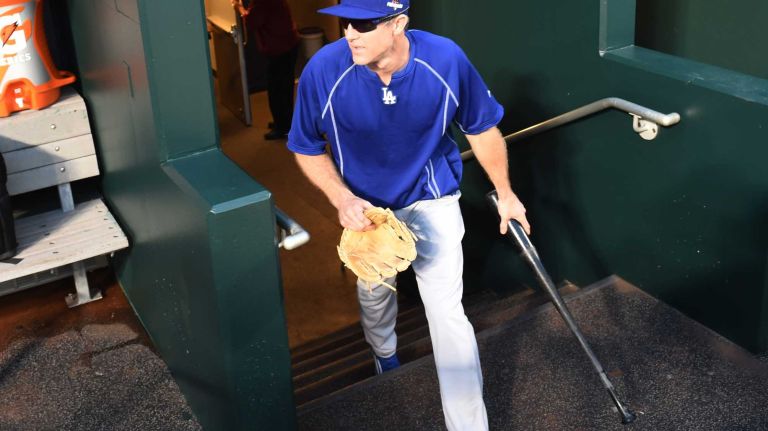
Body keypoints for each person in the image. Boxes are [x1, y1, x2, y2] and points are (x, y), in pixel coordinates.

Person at [287, 0, 530, 429]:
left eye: (363, 24)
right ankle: (384, 356)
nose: (349, 33)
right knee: (376, 294)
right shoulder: (324, 69)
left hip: (430, 198)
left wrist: (506, 193)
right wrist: (342, 200)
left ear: (399, 23)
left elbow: (481, 128)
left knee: (447, 313)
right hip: (365, 210)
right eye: (345, 22)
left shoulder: (444, 59)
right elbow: (306, 147)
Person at [233, 0, 300, 140]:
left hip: (280, 48)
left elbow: (252, 22)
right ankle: (282, 123)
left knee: (277, 89)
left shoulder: (262, 2)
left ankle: (282, 127)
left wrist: (238, 7)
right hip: (287, 43)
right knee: (283, 87)